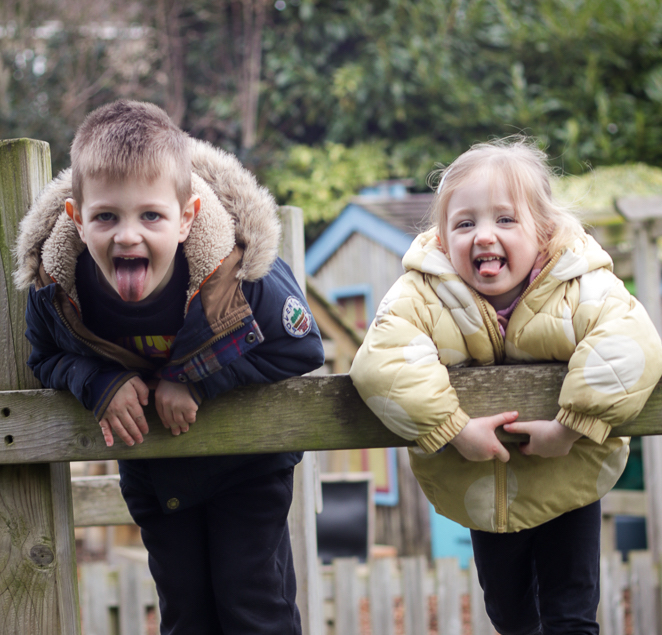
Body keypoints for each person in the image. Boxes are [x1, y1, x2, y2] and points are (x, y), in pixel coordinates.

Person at [14, 99, 324, 635]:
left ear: (186, 219)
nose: (128, 235)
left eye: (151, 216)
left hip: (247, 468)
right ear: (76, 219)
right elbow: (45, 358)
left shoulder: (241, 275)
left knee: (252, 604)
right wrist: (100, 383)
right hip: (156, 471)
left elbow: (302, 348)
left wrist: (193, 378)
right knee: (185, 614)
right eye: (106, 216)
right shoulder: (58, 293)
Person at [349, 137, 662, 635]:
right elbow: (381, 362)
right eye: (466, 223)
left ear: (543, 230)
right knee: (510, 618)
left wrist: (571, 426)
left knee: (571, 617)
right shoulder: (425, 290)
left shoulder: (579, 280)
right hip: (482, 485)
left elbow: (632, 342)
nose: (484, 235)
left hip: (569, 476)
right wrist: (454, 428)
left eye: (506, 219)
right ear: (443, 237)